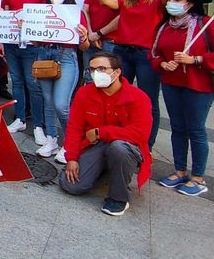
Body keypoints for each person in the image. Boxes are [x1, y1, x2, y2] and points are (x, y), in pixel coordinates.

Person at [150, 0, 214, 196]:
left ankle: (198, 177)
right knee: (178, 128)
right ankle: (179, 171)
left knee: (195, 129)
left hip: (198, 86)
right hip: (171, 83)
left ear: (191, 3)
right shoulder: (165, 26)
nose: (172, 3)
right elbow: (153, 54)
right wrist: (162, 64)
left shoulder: (208, 26)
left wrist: (195, 59)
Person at [59, 52, 153, 216]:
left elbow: (140, 134)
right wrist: (72, 158)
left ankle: (118, 198)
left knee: (118, 148)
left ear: (117, 72)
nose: (96, 73)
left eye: (102, 68)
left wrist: (101, 132)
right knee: (71, 185)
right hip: (95, 145)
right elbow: (74, 127)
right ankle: (104, 169)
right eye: (92, 69)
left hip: (125, 145)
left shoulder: (138, 97)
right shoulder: (84, 93)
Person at [95, 0, 171, 147]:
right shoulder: (127, 1)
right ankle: (118, 134)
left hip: (146, 54)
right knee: (116, 94)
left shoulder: (157, 1)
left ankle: (147, 144)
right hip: (122, 52)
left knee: (148, 100)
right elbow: (104, 1)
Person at [34, 0, 90, 162]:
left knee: (61, 105)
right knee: (48, 102)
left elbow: (84, 47)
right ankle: (52, 140)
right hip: (44, 56)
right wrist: (28, 30)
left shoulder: (76, 14)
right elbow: (36, 42)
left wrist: (83, 36)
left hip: (66, 57)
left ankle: (70, 143)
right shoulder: (41, 13)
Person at [0, 0, 47, 136]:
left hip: (32, 45)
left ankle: (38, 125)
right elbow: (5, 15)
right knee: (16, 82)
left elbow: (45, 17)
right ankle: (20, 119)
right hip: (12, 44)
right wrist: (1, 41)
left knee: (33, 85)